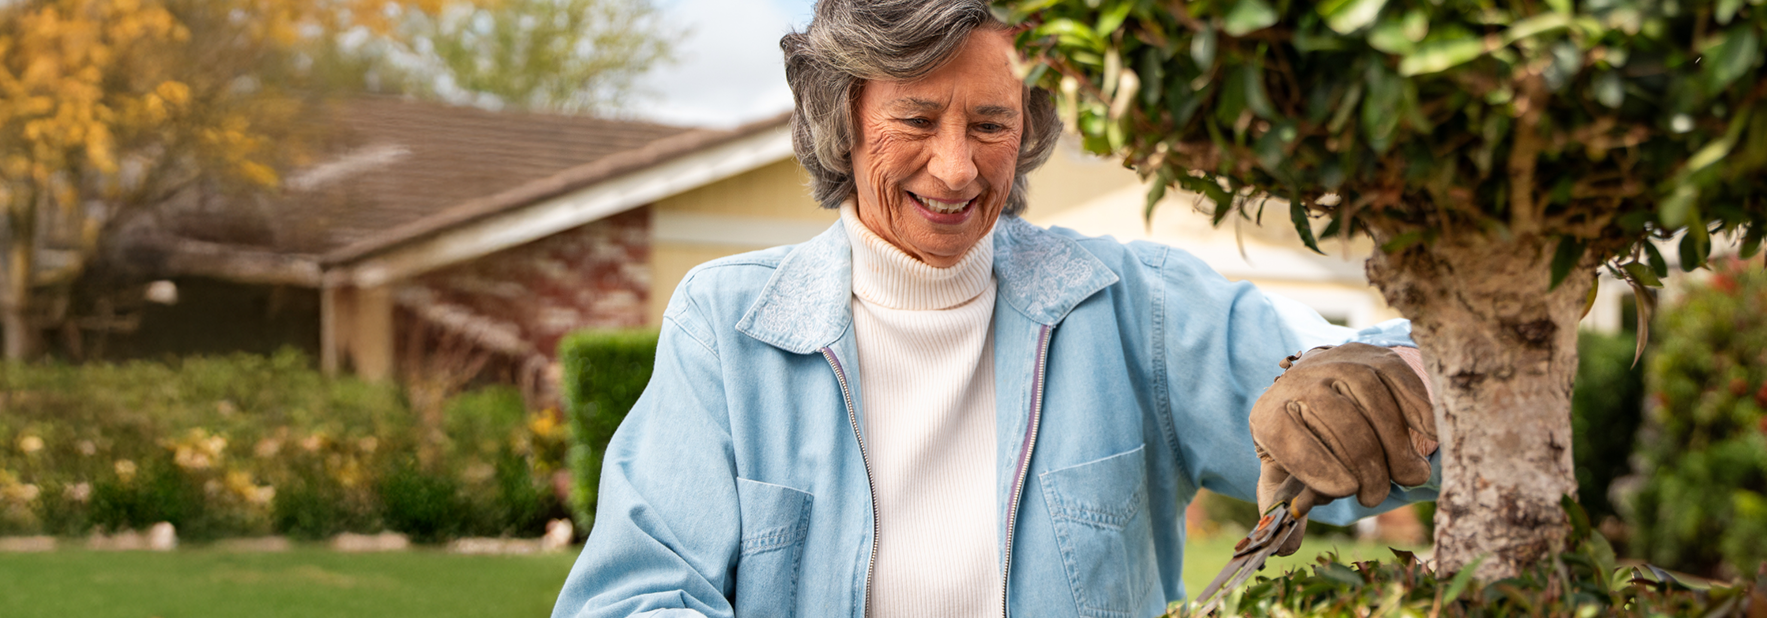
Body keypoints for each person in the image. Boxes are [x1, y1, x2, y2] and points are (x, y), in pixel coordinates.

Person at [548, 1, 1442, 616]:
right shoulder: (727, 324)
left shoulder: (1138, 310)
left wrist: (1393, 379)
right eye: (916, 120)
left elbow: (1400, 381)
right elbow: (633, 596)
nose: (957, 169)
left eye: (990, 124)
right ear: (844, 120)